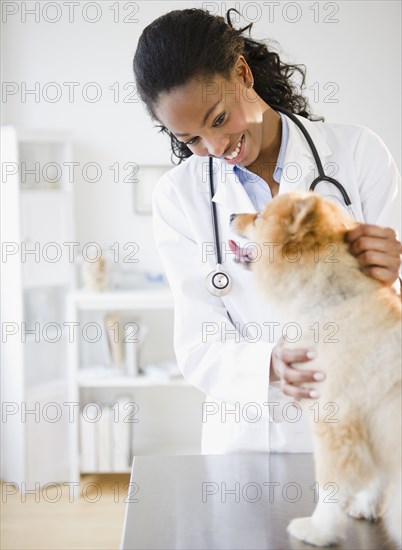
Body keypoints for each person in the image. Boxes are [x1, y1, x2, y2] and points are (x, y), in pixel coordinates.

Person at [133, 8, 402, 453]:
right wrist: (271, 363)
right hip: (248, 442)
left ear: (242, 72)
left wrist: (390, 274)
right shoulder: (179, 197)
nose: (217, 148)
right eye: (191, 141)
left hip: (362, 425)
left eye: (218, 118)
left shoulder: (356, 154)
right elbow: (199, 346)